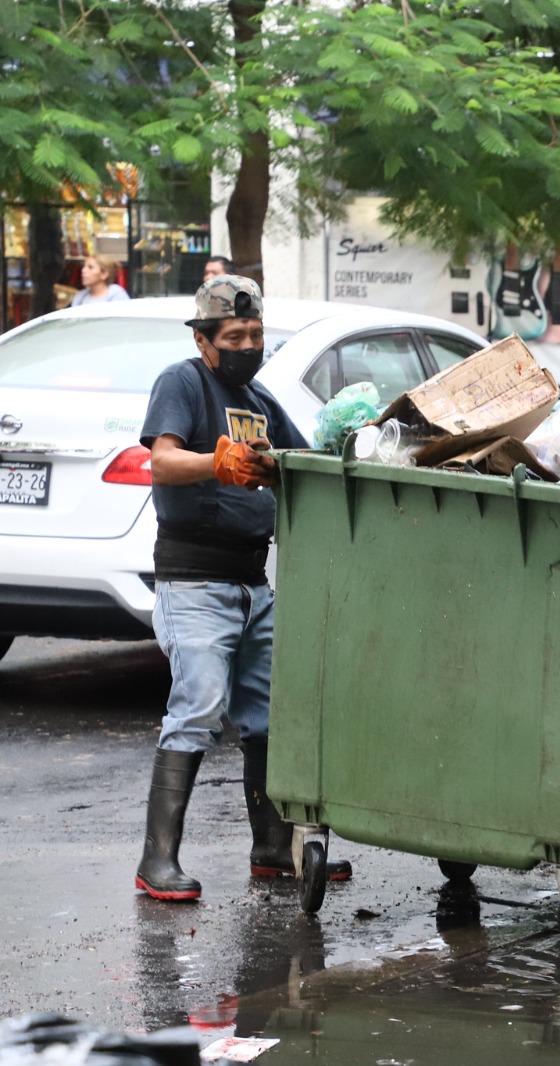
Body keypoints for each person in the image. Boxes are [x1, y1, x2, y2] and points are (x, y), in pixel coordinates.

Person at [134, 275, 352, 902]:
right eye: (234, 336)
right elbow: (162, 460)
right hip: (195, 580)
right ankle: (158, 861)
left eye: (256, 334)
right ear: (205, 342)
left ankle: (271, 847)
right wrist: (217, 461)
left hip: (254, 584)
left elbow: (301, 461)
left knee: (267, 716)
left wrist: (316, 453)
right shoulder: (183, 382)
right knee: (199, 708)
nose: (247, 344)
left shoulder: (258, 398)